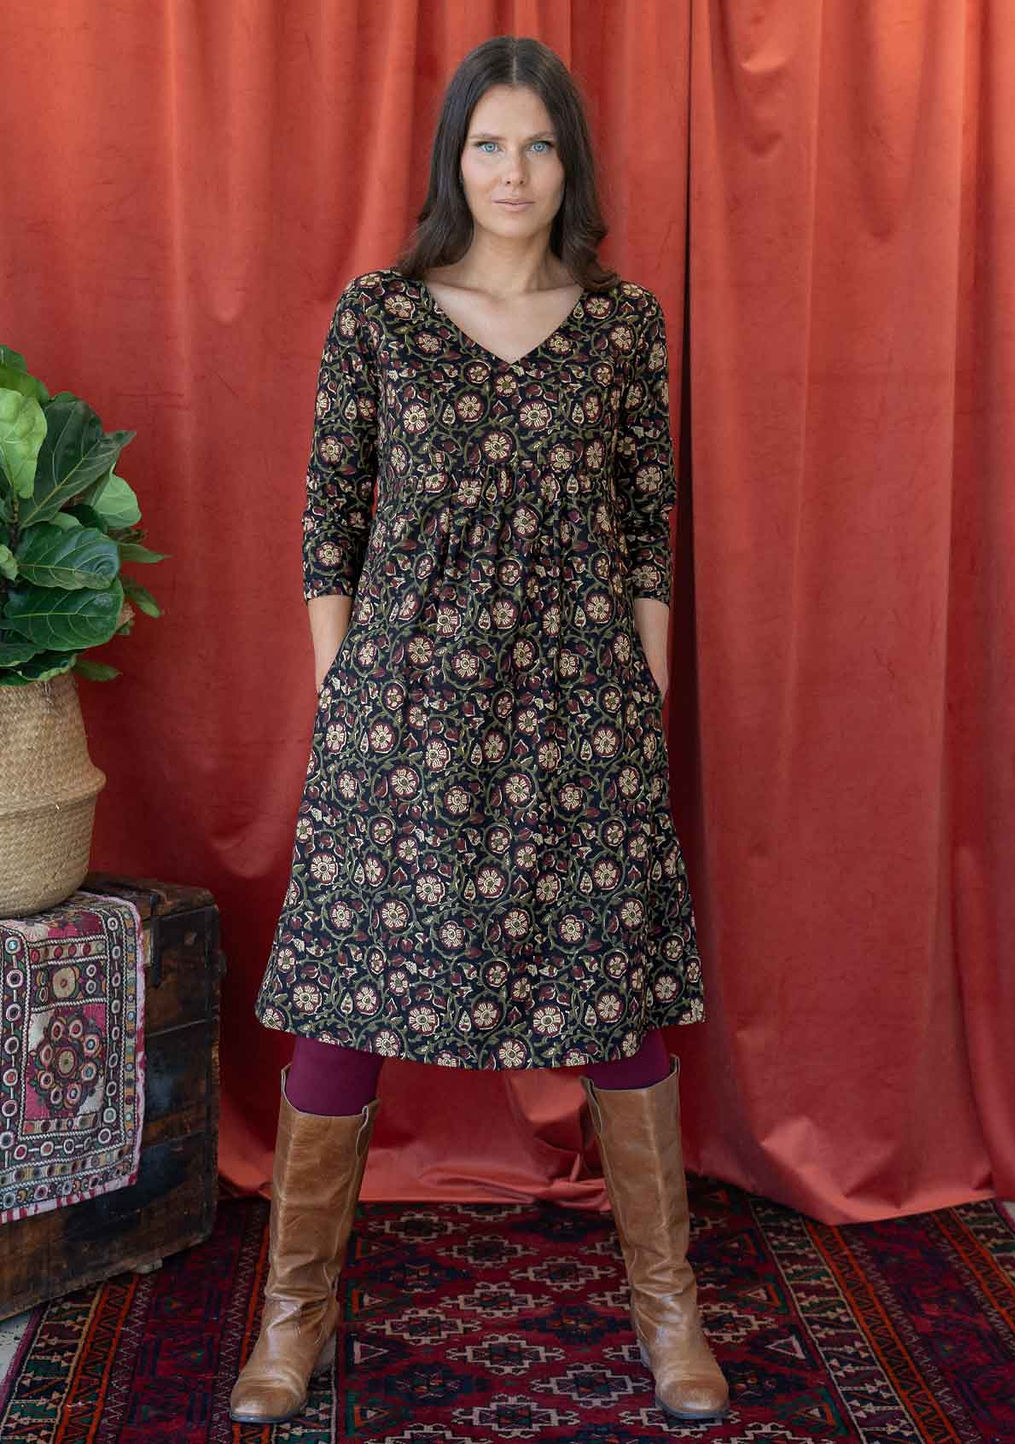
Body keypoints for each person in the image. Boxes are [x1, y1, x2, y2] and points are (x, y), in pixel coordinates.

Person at [230, 33, 729, 1428]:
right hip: (401, 715)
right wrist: (350, 703)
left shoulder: (625, 324)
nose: (515, 169)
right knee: (344, 998)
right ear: (455, 160)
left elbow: (647, 535)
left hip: (584, 709)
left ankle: (668, 1309)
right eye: (490, 143)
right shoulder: (380, 314)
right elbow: (328, 525)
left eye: (541, 144)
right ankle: (291, 1315)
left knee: (618, 1002)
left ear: (573, 163)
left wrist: (647, 702)